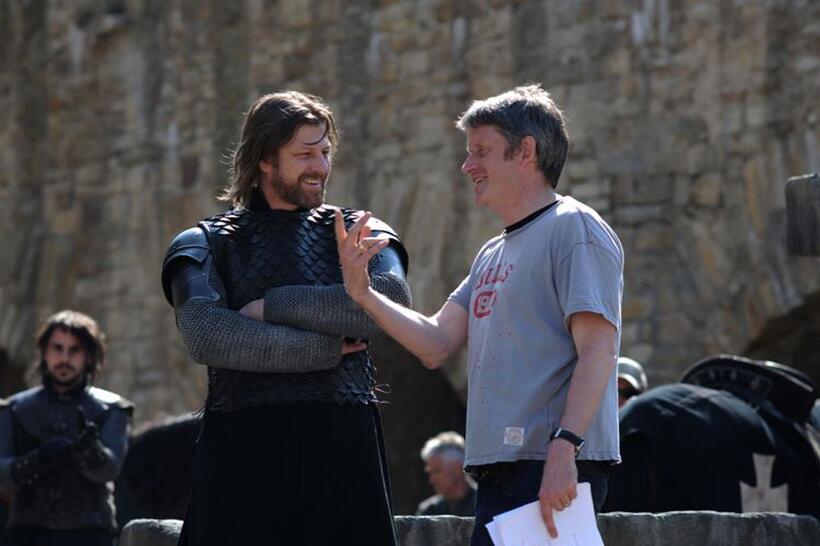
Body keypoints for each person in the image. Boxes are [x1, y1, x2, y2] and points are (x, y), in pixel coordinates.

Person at [335, 84, 623, 544]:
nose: (467, 166)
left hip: (546, 468)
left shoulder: (575, 228)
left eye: (481, 152)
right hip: (501, 473)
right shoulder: (492, 252)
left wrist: (565, 450)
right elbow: (435, 343)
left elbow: (599, 350)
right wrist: (362, 292)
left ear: (526, 151)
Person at [161, 91, 411, 545]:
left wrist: (271, 306)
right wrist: (326, 349)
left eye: (325, 152)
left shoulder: (361, 232)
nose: (321, 166)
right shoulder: (206, 241)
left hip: (342, 455)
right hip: (244, 453)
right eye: (305, 154)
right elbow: (208, 334)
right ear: (264, 159)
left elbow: (388, 305)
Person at [0, 310, 133, 546]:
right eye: (57, 348)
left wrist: (91, 450)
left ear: (88, 356)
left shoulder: (111, 409)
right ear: (44, 352)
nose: (64, 358)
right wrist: (36, 459)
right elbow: (3, 478)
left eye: (74, 350)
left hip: (89, 535)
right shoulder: (15, 409)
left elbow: (110, 469)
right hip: (27, 535)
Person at [416, 431, 476, 516]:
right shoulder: (430, 511)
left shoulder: (486, 505)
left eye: (437, 471)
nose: (432, 480)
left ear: (458, 468)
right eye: (430, 473)